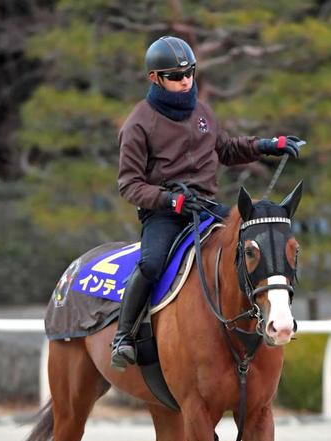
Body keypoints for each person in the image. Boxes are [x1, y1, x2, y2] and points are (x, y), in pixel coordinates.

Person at [111, 35, 303, 370]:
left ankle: (262, 320)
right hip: (165, 215)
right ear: (155, 78)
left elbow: (226, 149)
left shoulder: (202, 112)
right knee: (151, 264)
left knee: (251, 247)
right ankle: (123, 337)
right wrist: (170, 201)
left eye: (190, 73)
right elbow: (129, 185)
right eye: (175, 76)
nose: (185, 80)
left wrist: (270, 145)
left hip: (206, 208)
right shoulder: (138, 123)